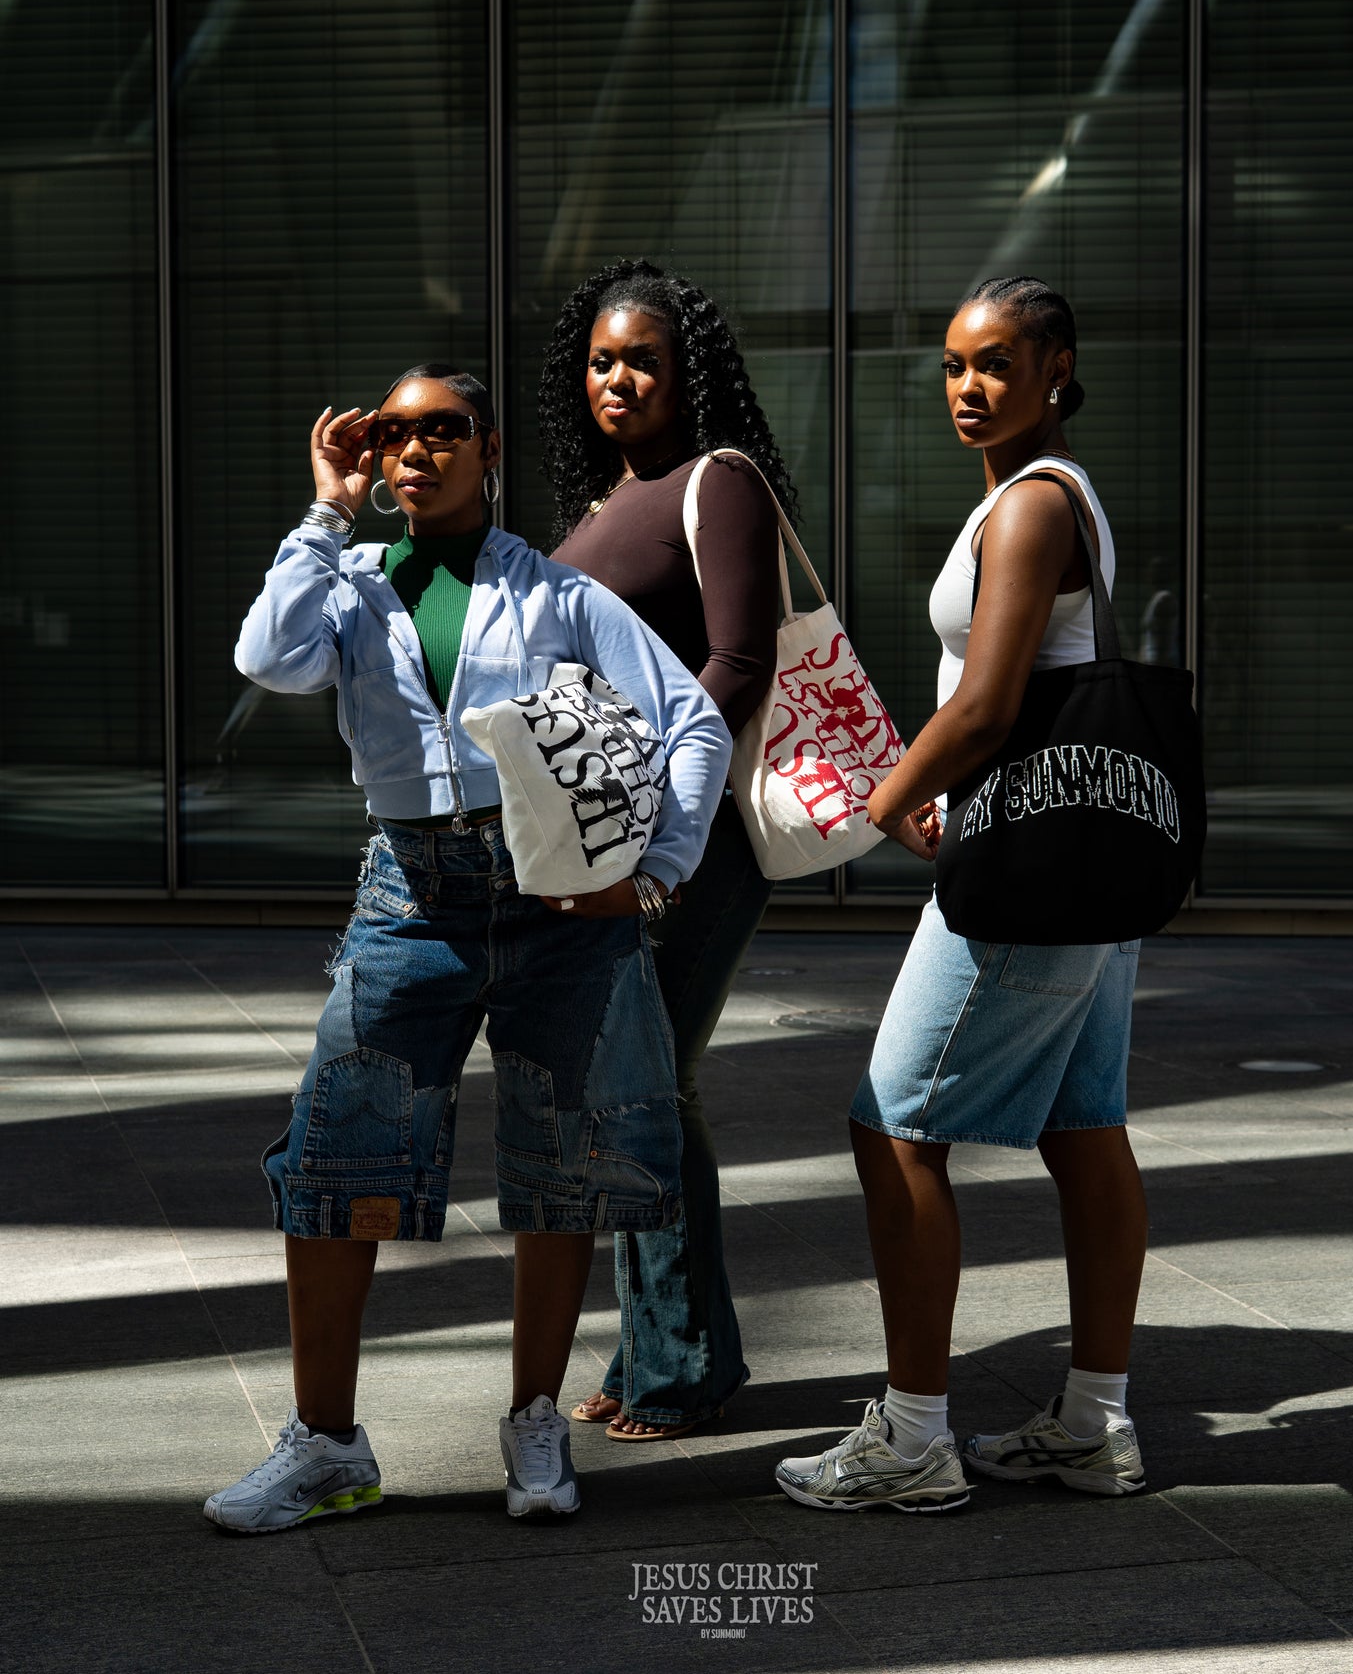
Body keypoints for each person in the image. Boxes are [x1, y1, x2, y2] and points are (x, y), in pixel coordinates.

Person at [204, 363, 730, 1531]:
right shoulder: (343, 583)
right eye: (393, 435)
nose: (415, 451)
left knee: (562, 1170)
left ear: (488, 450)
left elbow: (690, 718)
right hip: (409, 896)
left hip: (555, 904)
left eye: (443, 431)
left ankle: (535, 1424)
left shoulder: (553, 592)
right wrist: (323, 509)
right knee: (339, 1165)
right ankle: (327, 1445)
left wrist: (657, 873)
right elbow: (263, 660)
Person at [775, 276, 1148, 1511]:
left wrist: (885, 801)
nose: (968, 387)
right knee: (1082, 1129)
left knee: (890, 1126)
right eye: (950, 365)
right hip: (1085, 867)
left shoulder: (1034, 506)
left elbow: (987, 704)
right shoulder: (1036, 496)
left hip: (1023, 875)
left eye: (995, 363)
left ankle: (914, 1436)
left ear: (1057, 368)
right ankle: (1094, 1423)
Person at [543, 260, 800, 1441]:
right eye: (601, 358)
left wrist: (652, 810)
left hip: (692, 837)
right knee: (631, 1084)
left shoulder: (717, 481)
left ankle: (683, 1363)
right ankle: (653, 1345)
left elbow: (739, 664)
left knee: (650, 1081)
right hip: (616, 834)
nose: (618, 377)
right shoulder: (603, 501)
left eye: (641, 356)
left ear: (686, 367)